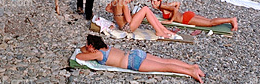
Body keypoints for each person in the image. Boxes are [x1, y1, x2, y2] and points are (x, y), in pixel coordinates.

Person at [76, 34, 205, 83]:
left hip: (133, 62)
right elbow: (83, 51)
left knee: (164, 67)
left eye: (88, 45)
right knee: (164, 61)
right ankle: (191, 66)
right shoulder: (105, 47)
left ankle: (190, 72)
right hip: (135, 53)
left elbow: (79, 56)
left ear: (92, 46)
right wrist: (88, 47)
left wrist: (87, 49)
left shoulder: (98, 54)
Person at [105, 0, 176, 38]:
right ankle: (159, 31)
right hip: (126, 28)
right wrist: (128, 14)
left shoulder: (115, 0)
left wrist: (118, 14)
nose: (129, 2)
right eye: (131, 0)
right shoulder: (124, 4)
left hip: (122, 26)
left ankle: (163, 29)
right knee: (145, 9)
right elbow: (129, 20)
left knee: (146, 10)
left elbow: (107, 9)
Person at [150, 0, 237, 31]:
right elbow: (177, 3)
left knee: (210, 23)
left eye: (154, 2)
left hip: (186, 19)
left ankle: (231, 20)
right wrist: (174, 15)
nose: (153, 4)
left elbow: (174, 9)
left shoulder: (162, 6)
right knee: (210, 21)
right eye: (152, 2)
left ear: (159, 1)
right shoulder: (164, 5)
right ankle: (230, 20)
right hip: (186, 15)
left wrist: (171, 20)